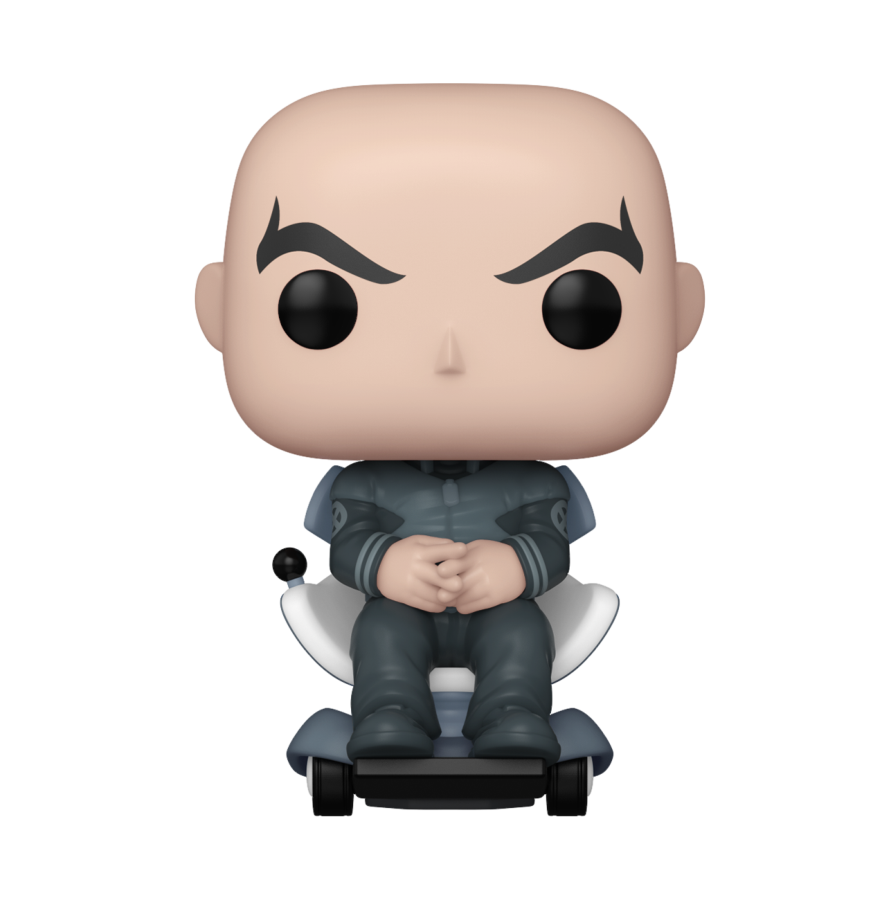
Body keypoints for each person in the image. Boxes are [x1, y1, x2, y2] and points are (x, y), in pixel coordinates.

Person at [195, 84, 704, 763]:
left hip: (503, 610)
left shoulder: (538, 483)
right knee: (381, 636)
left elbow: (552, 545)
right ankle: (389, 709)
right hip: (398, 609)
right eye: (321, 307)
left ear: (681, 311)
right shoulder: (362, 483)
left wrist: (515, 566)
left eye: (579, 308)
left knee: (522, 636)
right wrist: (386, 565)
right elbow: (345, 546)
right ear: (218, 310)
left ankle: (514, 709)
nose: (449, 357)